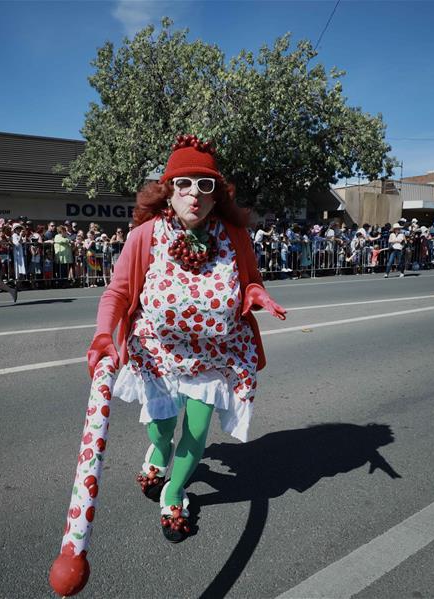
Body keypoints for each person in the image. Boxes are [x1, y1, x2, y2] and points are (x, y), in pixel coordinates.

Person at [86, 134, 286, 543]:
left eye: (205, 186)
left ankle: (174, 494)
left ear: (217, 196)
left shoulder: (234, 237)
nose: (194, 194)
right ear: (168, 191)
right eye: (184, 184)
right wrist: (104, 333)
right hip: (156, 353)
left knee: (195, 434)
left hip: (212, 356)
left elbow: (248, 282)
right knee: (161, 429)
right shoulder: (146, 236)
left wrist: (257, 294)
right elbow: (119, 292)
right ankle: (158, 454)